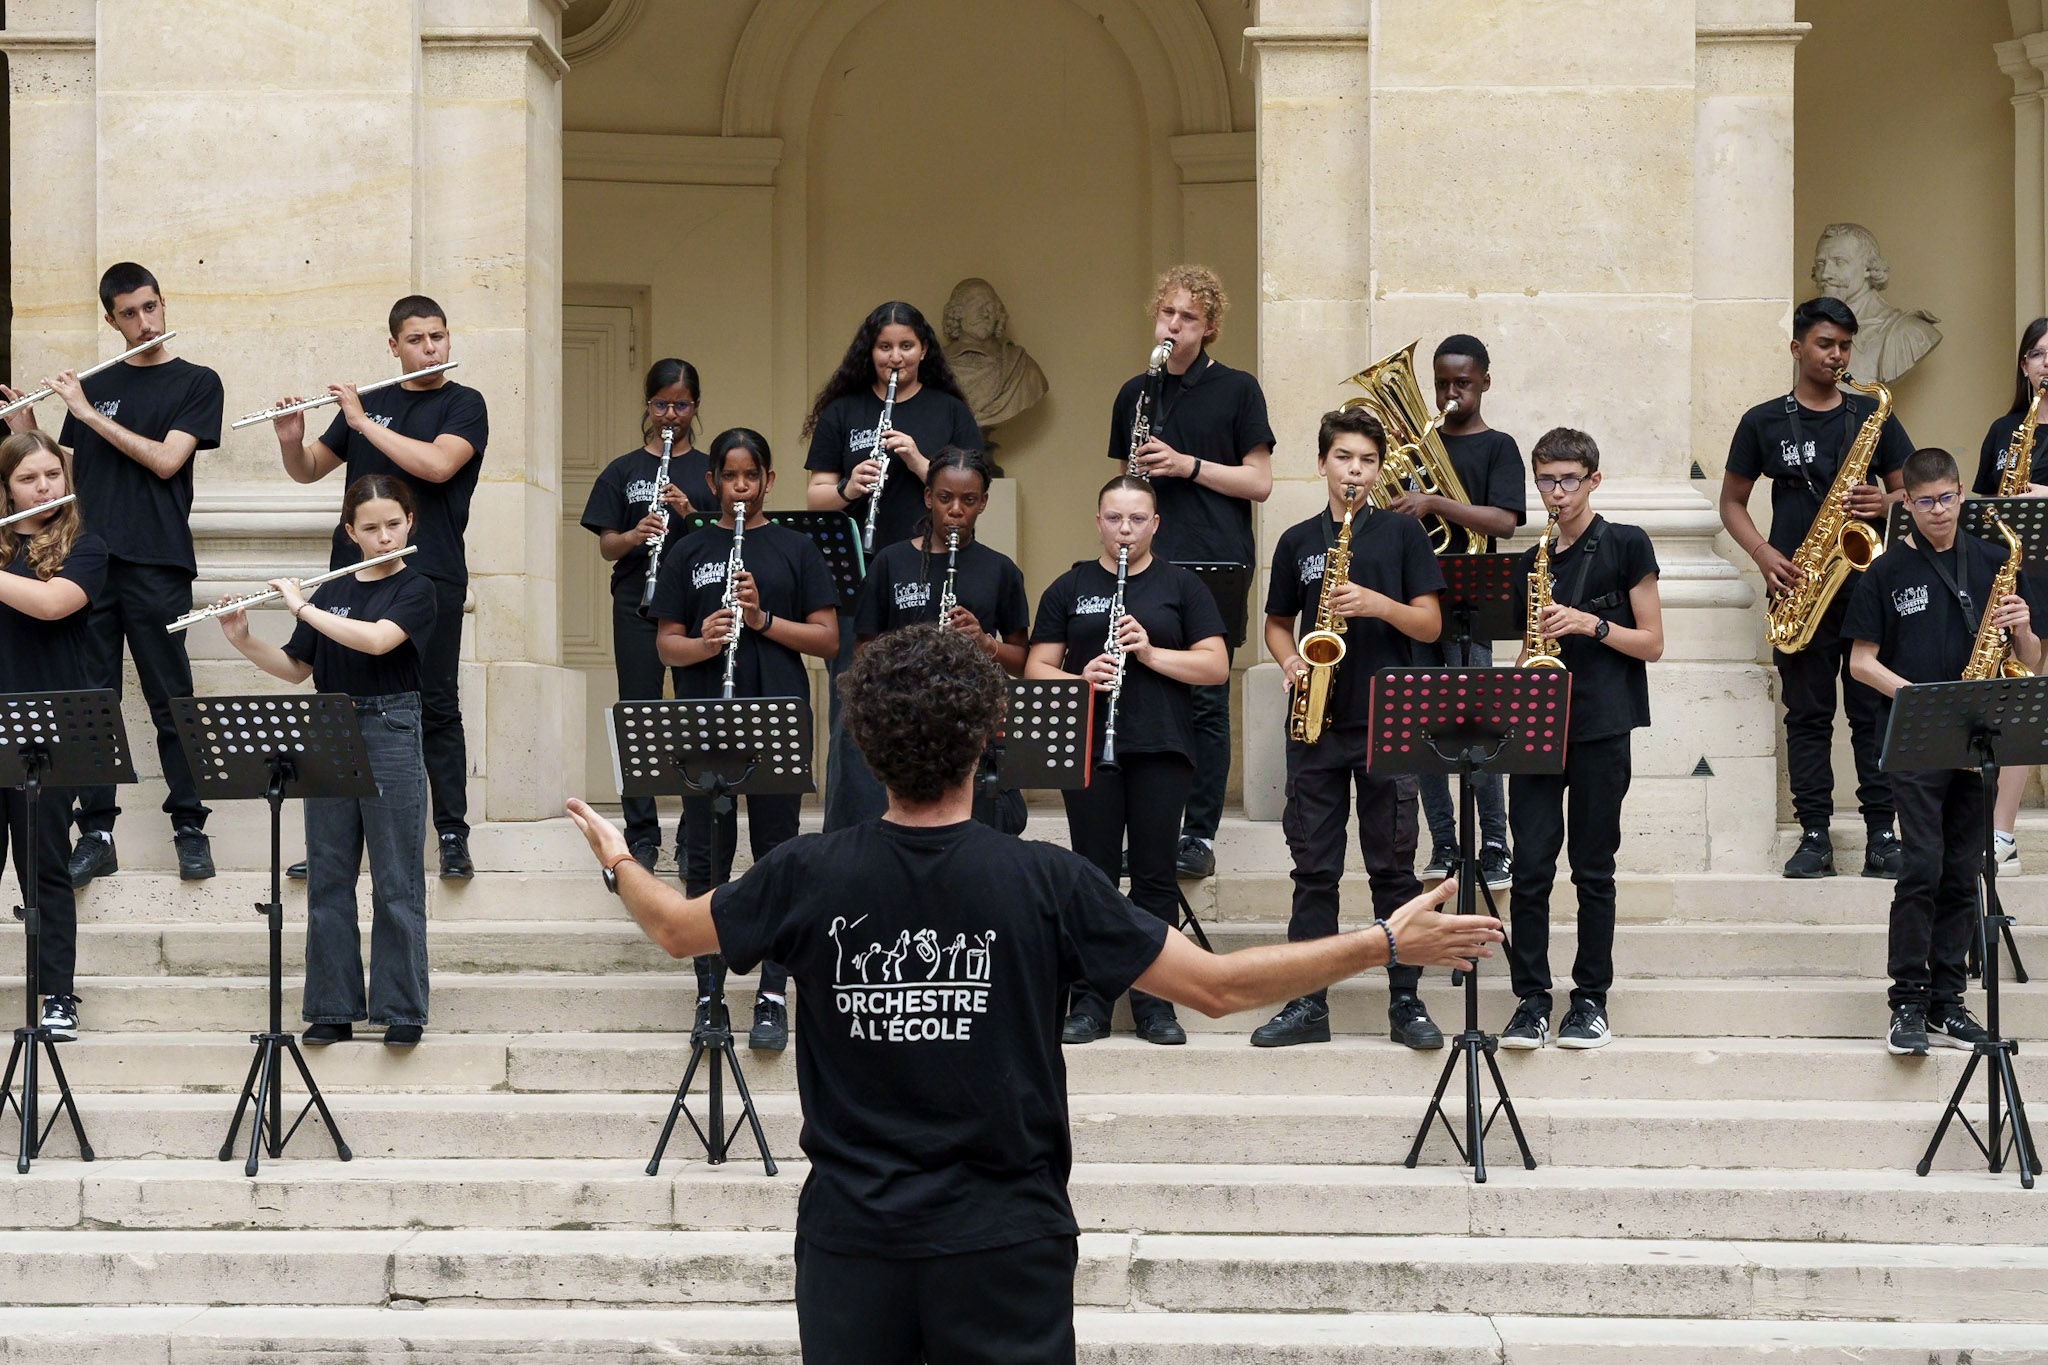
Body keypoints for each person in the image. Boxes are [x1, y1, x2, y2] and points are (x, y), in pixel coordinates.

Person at [563, 623, 1504, 1364]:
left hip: (855, 1242)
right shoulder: (1044, 880)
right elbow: (1216, 989)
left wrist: (617, 860)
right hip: (1005, 1243)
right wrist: (1384, 941)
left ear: (868, 744)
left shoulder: (805, 872)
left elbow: (675, 926)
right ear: (986, 738)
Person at [0, 262, 222, 887]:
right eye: (129, 313)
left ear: (163, 304)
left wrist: (87, 410)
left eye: (151, 307)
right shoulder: (99, 384)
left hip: (157, 559)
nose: (144, 321)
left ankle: (189, 826)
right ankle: (96, 832)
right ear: (111, 319)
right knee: (89, 703)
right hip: (86, 561)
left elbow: (164, 460)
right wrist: (30, 433)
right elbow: (72, 470)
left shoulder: (196, 381)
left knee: (170, 697)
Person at [212, 475, 436, 1047]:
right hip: (330, 725)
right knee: (329, 877)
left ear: (409, 523)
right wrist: (241, 639)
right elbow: (295, 669)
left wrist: (305, 609)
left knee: (395, 878)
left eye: (393, 524)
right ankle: (333, 1006)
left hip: (390, 724)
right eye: (370, 528)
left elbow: (380, 641)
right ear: (351, 532)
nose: (384, 537)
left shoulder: (418, 588)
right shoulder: (333, 588)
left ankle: (401, 1008)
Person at [1252, 408, 1447, 1051]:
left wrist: (1374, 604)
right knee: (1314, 869)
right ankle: (1307, 1003)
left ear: (1378, 468)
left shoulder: (1400, 536)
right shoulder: (1298, 540)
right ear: (1322, 464)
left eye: (1366, 460)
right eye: (1343, 459)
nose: (1353, 471)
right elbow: (1277, 621)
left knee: (1393, 867)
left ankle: (1406, 1000)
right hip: (1315, 721)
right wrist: (1289, 662)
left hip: (1387, 720)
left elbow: (1429, 625)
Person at [272, 295, 487, 881]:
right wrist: (292, 438)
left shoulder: (463, 404)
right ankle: (335, 845)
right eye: (416, 340)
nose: (430, 349)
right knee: (340, 701)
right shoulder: (370, 402)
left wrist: (363, 421)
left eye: (438, 337)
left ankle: (451, 834)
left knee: (435, 704)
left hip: (429, 573)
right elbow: (310, 467)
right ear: (393, 345)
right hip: (352, 573)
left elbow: (439, 467)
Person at [1845, 447, 2042, 1056]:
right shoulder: (1884, 572)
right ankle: (1907, 1001)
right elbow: (1860, 664)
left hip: (1977, 736)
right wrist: (1922, 700)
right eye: (1925, 501)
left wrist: (2025, 627)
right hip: (1917, 737)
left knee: (1965, 870)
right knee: (1922, 866)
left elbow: (2031, 662)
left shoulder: (1992, 561)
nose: (1938, 511)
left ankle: (1948, 1004)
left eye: (1947, 498)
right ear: (1908, 504)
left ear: (1962, 494)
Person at [650, 428, 839, 1053]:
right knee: (705, 856)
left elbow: (827, 640)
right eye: (728, 477)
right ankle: (708, 993)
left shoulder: (795, 547)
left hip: (777, 716)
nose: (739, 487)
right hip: (706, 720)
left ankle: (773, 992)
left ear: (768, 480)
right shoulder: (689, 549)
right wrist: (706, 644)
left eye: (750, 476)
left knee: (778, 852)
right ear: (711, 482)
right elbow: (665, 645)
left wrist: (761, 621)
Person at [1027, 475, 1228, 1046]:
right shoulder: (1071, 587)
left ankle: (1155, 1001)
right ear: (1098, 521)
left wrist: (1149, 651)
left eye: (1137, 520)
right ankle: (1091, 1000)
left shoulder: (1181, 586)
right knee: (1091, 874)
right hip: (1090, 747)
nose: (1124, 530)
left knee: (1155, 876)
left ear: (1155, 524)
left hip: (1162, 745)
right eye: (1114, 518)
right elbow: (1037, 667)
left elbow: (1213, 666)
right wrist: (1081, 676)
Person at [1720, 295, 1911, 880]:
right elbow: (1731, 501)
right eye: (1826, 344)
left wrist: (1888, 500)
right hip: (1798, 584)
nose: (1837, 355)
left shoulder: (1870, 413)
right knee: (1806, 715)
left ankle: (1883, 835)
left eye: (1845, 346)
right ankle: (1814, 835)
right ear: (1797, 346)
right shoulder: (1762, 420)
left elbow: (1914, 494)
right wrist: (1762, 554)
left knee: (1873, 712)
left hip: (1866, 586)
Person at [1107, 266, 1274, 880]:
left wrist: (1186, 465)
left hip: (1214, 556)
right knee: (1145, 691)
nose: (1174, 327)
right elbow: (1125, 480)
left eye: (1189, 319)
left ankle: (1198, 834)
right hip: (1146, 557)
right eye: (1168, 315)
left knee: (1204, 701)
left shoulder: (1237, 389)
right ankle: (1154, 829)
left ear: (1209, 329)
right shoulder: (1136, 394)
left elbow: (1258, 483)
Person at [1499, 429, 1663, 1052]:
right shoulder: (1530, 560)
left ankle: (1590, 999)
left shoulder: (1626, 543)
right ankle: (1531, 999)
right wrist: (1514, 689)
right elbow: (1526, 648)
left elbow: (1651, 641)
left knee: (1594, 870)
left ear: (1594, 479)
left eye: (1568, 479)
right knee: (1532, 869)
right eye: (1545, 480)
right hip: (1540, 729)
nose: (1556, 492)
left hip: (1601, 725)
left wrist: (1591, 624)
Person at [804, 302, 983, 833]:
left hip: (926, 571)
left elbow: (970, 484)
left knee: (928, 698)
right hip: (856, 576)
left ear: (924, 350)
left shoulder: (948, 410)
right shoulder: (845, 411)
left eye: (906, 346)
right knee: (853, 707)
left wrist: (917, 462)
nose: (895, 356)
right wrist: (849, 488)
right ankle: (849, 830)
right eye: (885, 347)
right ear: (871, 351)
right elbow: (815, 494)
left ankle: (930, 823)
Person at [1397, 334, 1526, 890]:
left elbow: (1503, 522)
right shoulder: (1416, 450)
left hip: (1471, 600)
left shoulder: (1498, 446)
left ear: (1485, 383)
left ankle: (1494, 842)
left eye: (1463, 384)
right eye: (1442, 384)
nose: (1451, 394)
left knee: (1478, 726)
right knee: (1422, 729)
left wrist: (1432, 503)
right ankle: (1444, 842)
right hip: (1414, 600)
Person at [852, 445, 1030, 833]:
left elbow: (1023, 659)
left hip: (972, 728)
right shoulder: (890, 562)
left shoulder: (1001, 570)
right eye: (945, 498)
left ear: (983, 503)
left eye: (968, 500)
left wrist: (987, 644)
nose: (955, 510)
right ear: (928, 497)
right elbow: (863, 649)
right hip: (902, 722)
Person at [579, 358, 713, 870]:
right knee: (637, 714)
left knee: (692, 715)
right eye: (661, 404)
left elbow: (720, 536)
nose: (670, 414)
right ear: (648, 405)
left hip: (694, 609)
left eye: (680, 404)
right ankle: (642, 833)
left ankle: (691, 831)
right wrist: (637, 534)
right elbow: (608, 546)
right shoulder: (624, 469)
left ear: (695, 406)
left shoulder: (707, 470)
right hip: (637, 601)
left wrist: (688, 516)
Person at [0, 431, 108, 1041]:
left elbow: (50, 605)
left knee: (44, 866)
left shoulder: (85, 547)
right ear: (6, 488)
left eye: (52, 476)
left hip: (46, 725)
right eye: (28, 479)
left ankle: (57, 996)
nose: (43, 488)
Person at [1970, 317, 2048, 876]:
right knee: (2020, 706)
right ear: (2024, 365)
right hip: (2021, 579)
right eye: (2039, 354)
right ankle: (2001, 834)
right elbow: (1978, 506)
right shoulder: (2003, 430)